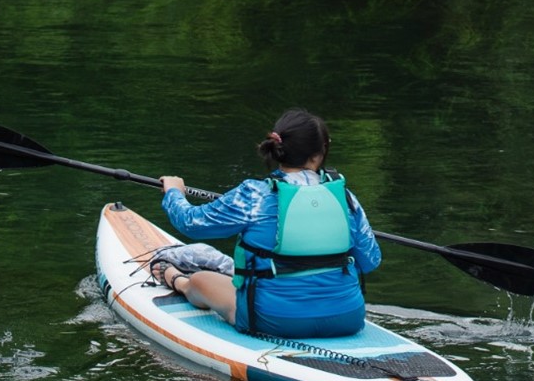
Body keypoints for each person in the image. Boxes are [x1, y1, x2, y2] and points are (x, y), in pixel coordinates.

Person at [149, 108, 381, 338]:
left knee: (200, 280)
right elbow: (370, 261)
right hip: (347, 318)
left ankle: (176, 280)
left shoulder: (254, 195)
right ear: (319, 153)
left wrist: (174, 192)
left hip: (273, 321)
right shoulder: (346, 198)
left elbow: (189, 223)